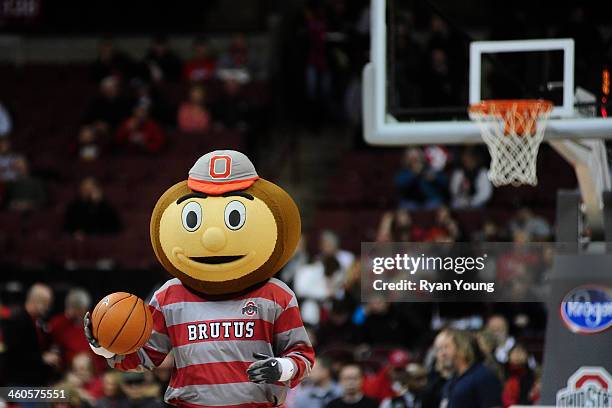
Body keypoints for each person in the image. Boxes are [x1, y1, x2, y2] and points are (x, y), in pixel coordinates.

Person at [1, 283, 60, 385]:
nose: (48, 308)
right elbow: (14, 354)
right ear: (36, 301)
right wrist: (41, 358)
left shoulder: (38, 321)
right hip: (20, 382)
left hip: (36, 381)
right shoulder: (16, 320)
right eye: (46, 304)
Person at [438, 329, 502, 408]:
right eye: (439, 349)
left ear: (462, 347)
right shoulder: (450, 382)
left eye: (446, 347)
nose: (441, 354)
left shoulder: (483, 376)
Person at [49, 288, 106, 372]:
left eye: (80, 309)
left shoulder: (96, 322)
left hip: (94, 371)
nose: (77, 313)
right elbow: (52, 346)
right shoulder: (59, 323)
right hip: (68, 372)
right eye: (73, 308)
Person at [502, 343, 536, 408]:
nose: (518, 355)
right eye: (515, 352)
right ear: (509, 355)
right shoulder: (502, 371)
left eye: (521, 352)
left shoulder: (532, 374)